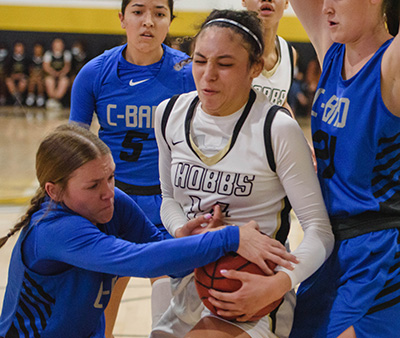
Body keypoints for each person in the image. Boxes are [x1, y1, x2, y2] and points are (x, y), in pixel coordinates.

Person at [0, 123, 284, 338]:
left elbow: (159, 251)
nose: (108, 192)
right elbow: (141, 260)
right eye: (93, 185)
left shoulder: (113, 204)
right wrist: (229, 237)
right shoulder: (53, 230)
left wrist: (186, 239)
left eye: (110, 177)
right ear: (54, 191)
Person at [151, 9, 334, 338]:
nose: (208, 75)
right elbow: (167, 201)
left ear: (255, 68)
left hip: (257, 289)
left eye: (224, 64)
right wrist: (183, 230)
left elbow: (320, 232)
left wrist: (276, 286)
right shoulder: (168, 115)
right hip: (191, 282)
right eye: (200, 60)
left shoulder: (276, 129)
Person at [69, 0, 196, 333]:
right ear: (122, 18)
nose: (148, 22)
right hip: (111, 204)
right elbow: (73, 149)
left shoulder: (188, 73)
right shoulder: (94, 74)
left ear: (170, 21)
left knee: (169, 319)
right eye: (138, 12)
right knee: (99, 321)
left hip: (168, 204)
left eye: (159, 13)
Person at [288, 1, 400, 337]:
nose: (326, 8)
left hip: (378, 250)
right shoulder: (332, 51)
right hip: (326, 246)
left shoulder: (391, 64)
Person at [242, 0, 297, 109]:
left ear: (286, 2)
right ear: (243, 1)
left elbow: (282, 103)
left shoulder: (289, 52)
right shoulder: (232, 48)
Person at [43, 38, 71, 109]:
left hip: (62, 75)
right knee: (49, 81)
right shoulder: (48, 54)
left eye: (60, 45)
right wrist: (53, 72)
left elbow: (67, 67)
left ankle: (57, 99)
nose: (58, 47)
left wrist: (61, 73)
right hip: (51, 75)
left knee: (64, 81)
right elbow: (46, 66)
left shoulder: (66, 54)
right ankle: (52, 98)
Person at [5, 41, 29, 106]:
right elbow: (7, 71)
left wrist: (21, 76)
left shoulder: (26, 60)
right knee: (9, 82)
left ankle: (19, 97)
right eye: (17, 50)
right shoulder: (10, 59)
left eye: (20, 50)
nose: (19, 51)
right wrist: (13, 76)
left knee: (23, 82)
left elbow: (27, 72)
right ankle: (15, 97)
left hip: (22, 78)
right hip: (12, 78)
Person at [25, 43, 46, 108]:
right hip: (32, 77)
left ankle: (40, 96)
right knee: (32, 80)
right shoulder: (30, 60)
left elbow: (44, 71)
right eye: (36, 49)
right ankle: (30, 96)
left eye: (39, 49)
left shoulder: (45, 60)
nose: (38, 51)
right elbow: (29, 71)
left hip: (41, 77)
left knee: (40, 81)